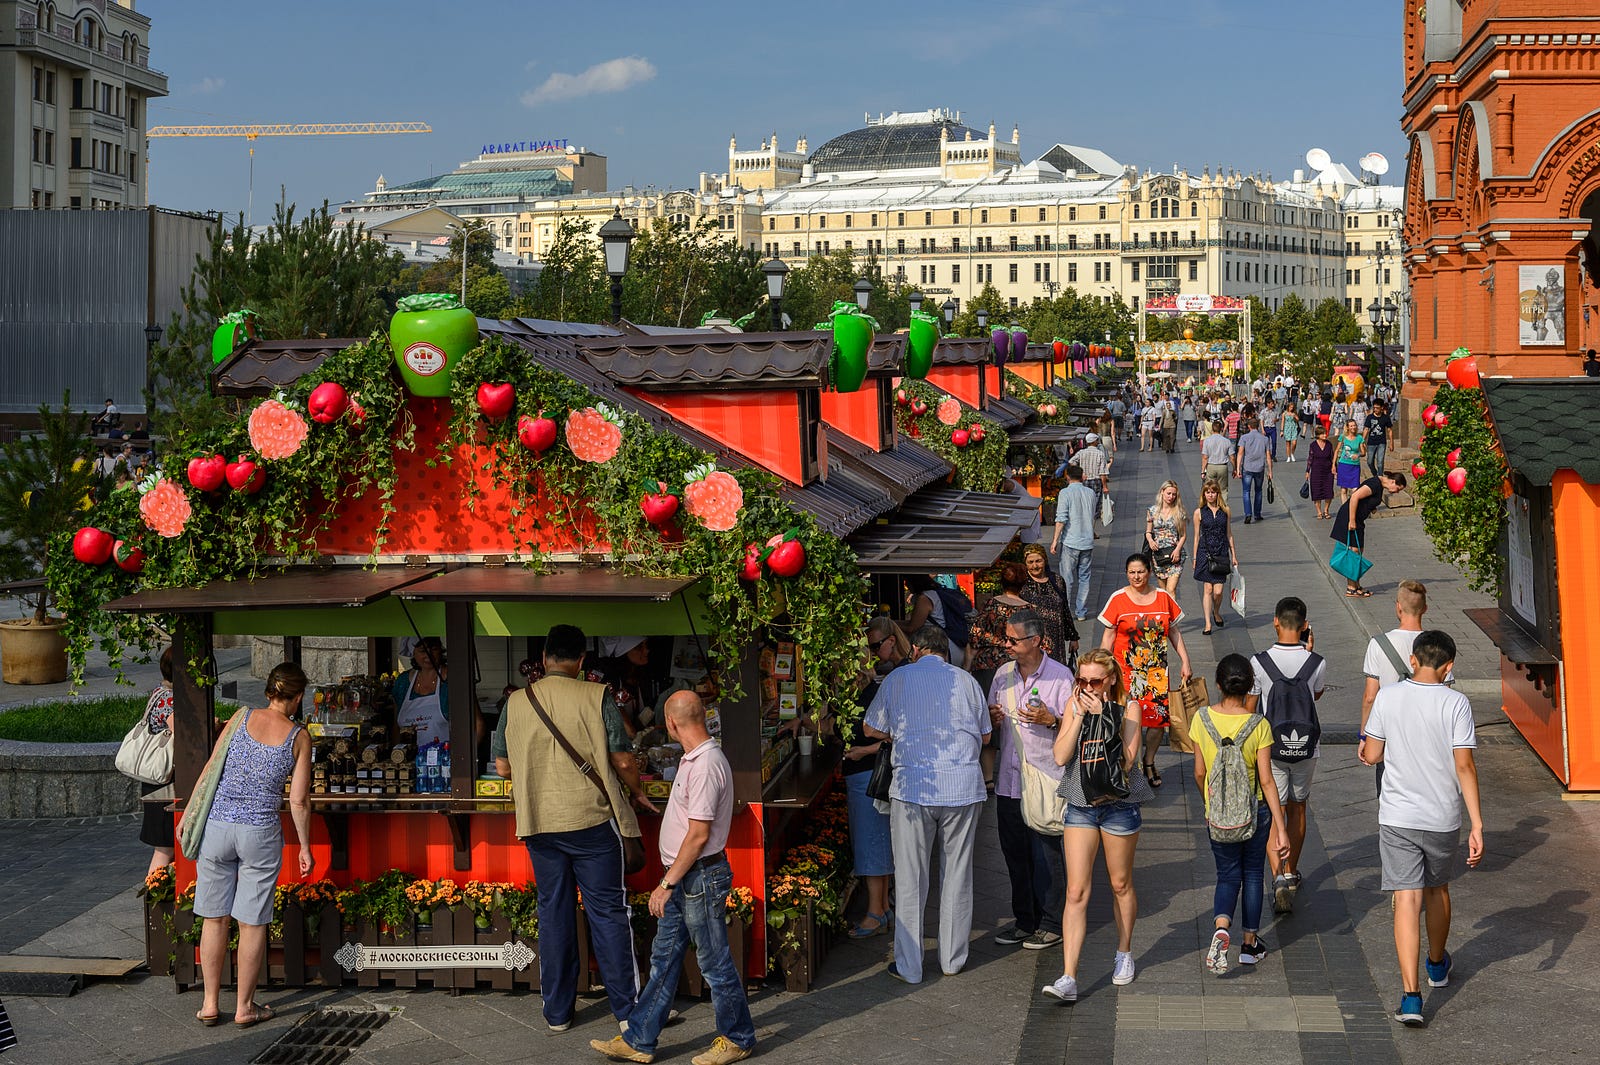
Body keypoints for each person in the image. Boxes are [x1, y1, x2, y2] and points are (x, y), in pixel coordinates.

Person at [493, 624, 654, 1033]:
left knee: (554, 913)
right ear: (582, 661)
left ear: (545, 657)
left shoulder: (516, 703)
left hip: (538, 823)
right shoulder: (596, 696)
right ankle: (628, 1013)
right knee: (608, 914)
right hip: (592, 820)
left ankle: (557, 1013)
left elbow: (503, 766)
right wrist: (636, 793)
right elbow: (622, 760)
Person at [590, 693, 755, 1065]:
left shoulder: (706, 763)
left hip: (697, 877)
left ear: (671, 722)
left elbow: (698, 835)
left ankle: (738, 1037)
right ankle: (639, 1038)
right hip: (687, 876)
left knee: (713, 962)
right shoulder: (696, 759)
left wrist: (666, 884)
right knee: (664, 957)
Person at [1359, 630, 1484, 1028]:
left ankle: (1411, 997)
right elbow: (1464, 765)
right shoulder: (1457, 703)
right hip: (1441, 816)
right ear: (1449, 666)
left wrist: (1367, 750)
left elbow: (1374, 752)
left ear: (1413, 660)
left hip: (1397, 815)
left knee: (1406, 899)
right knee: (1437, 890)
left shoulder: (1388, 697)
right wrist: (1477, 824)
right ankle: (1436, 964)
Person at [862, 624, 990, 984]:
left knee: (910, 878)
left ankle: (910, 967)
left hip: (913, 786)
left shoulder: (898, 679)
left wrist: (901, 733)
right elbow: (986, 735)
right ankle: (952, 959)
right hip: (963, 786)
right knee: (958, 874)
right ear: (944, 652)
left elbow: (871, 729)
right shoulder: (966, 681)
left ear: (916, 650)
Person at [194, 663, 313, 1028]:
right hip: (259, 831)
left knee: (214, 919)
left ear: (268, 691)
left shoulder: (239, 717)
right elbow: (298, 800)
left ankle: (210, 1003)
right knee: (251, 923)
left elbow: (212, 766)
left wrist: (192, 812)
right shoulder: (298, 736)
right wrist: (304, 847)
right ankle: (244, 1007)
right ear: (295, 698)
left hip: (217, 827)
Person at [1041, 648, 1153, 1001]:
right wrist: (1076, 717)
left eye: (1095, 680)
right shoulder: (1074, 705)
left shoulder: (1128, 709)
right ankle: (1068, 976)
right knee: (1076, 891)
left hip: (1119, 805)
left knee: (1120, 884)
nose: (1087, 686)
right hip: (1080, 804)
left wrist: (1104, 716)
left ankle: (1124, 952)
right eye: (1081, 679)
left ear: (1111, 679)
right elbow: (1060, 756)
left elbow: (1127, 763)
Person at [1193, 655, 1292, 975]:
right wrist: (1281, 827)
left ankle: (1222, 927)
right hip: (1256, 812)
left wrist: (1209, 805)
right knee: (1252, 874)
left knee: (1226, 875)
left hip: (1218, 815)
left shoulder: (1201, 718)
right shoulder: (1258, 725)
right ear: (1250, 686)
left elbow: (1199, 772)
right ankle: (1249, 945)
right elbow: (1266, 779)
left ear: (1219, 684)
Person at [987, 610, 1071, 952]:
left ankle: (1053, 922)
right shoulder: (1003, 675)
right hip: (1008, 782)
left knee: (1045, 855)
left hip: (1045, 779)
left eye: (1012, 639)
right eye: (1006, 638)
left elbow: (1075, 726)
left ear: (1035, 641)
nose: (1006, 644)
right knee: (1014, 854)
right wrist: (991, 719)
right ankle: (1025, 920)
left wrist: (1052, 719)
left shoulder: (1060, 677)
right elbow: (991, 722)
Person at [1246, 597, 1326, 915]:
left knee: (1273, 811)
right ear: (1305, 626)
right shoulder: (1317, 662)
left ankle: (1277, 876)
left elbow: (1252, 709)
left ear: (1276, 622)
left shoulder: (1258, 662)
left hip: (1271, 745)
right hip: (1306, 747)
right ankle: (1292, 872)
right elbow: (1315, 694)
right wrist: (1309, 652)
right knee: (1298, 808)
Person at [1099, 554, 1192, 789]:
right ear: (1126, 573)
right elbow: (1108, 636)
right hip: (1125, 674)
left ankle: (1149, 761)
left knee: (1157, 721)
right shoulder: (1118, 599)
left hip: (1156, 672)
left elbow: (1173, 631)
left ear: (1149, 572)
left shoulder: (1163, 598)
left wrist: (1185, 661)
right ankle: (1127, 765)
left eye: (1140, 572)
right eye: (1132, 572)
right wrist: (1101, 669)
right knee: (1126, 720)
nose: (1136, 577)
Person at [843, 617, 908, 939]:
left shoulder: (872, 692)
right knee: (876, 842)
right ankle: (881, 907)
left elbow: (893, 735)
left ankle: (876, 912)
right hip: (865, 774)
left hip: (867, 775)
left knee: (872, 843)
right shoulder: (870, 689)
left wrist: (862, 752)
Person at [1360, 581, 1449, 795]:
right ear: (1425, 609)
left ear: (1398, 606)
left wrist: (1365, 736)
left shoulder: (1379, 644)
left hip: (1390, 734)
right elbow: (1445, 692)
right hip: (1428, 736)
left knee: (1389, 795)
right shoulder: (1437, 646)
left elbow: (1370, 697)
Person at [1329, 471, 1408, 597]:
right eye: (1398, 489)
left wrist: (1371, 507)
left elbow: (1366, 499)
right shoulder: (1375, 483)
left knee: (1358, 552)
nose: (1396, 492)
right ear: (1393, 481)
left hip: (1358, 520)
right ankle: (1351, 588)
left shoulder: (1380, 485)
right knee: (1353, 553)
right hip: (1349, 518)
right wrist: (1352, 520)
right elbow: (1355, 497)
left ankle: (1356, 585)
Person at [967, 563, 1033, 694]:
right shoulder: (1028, 609)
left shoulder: (992, 604)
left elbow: (975, 635)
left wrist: (966, 665)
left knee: (988, 706)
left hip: (987, 663)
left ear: (1001, 582)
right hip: (1016, 663)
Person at [140, 647, 177, 876]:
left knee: (165, 847)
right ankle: (154, 893)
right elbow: (180, 733)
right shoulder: (170, 700)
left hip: (156, 779)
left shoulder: (159, 692)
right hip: (163, 782)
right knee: (164, 848)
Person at [1018, 542, 1079, 667]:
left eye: (1038, 561)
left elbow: (1065, 609)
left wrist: (1073, 637)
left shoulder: (1057, 580)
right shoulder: (1022, 584)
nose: (1035, 566)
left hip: (1056, 640)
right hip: (1032, 641)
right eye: (1030, 562)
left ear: (1045, 560)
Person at [1051, 464, 1098, 622]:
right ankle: (1081, 612)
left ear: (1067, 476)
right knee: (1084, 577)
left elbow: (1061, 519)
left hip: (1071, 541)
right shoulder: (1090, 493)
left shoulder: (1065, 493)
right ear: (1082, 476)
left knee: (1066, 578)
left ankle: (1066, 611)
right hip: (1087, 541)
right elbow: (1093, 516)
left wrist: (1055, 541)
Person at [590, 636, 663, 736]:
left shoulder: (645, 678)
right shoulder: (610, 680)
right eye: (639, 647)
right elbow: (615, 710)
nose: (646, 650)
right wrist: (633, 734)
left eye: (646, 645)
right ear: (624, 652)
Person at [1191, 479, 1237, 635]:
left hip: (1221, 552)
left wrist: (1234, 554)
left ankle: (1216, 611)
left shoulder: (1226, 510)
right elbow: (1196, 536)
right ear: (1204, 494)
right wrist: (1195, 557)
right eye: (1207, 492)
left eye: (1213, 492)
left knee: (1218, 591)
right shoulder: (1199, 512)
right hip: (1205, 552)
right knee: (1208, 588)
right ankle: (1208, 623)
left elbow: (1229, 533)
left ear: (1218, 493)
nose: (1210, 495)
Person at [391, 636, 450, 748]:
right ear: (413, 653)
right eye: (422, 651)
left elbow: (476, 724)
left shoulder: (450, 680)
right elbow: (396, 726)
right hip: (408, 761)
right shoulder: (402, 682)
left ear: (441, 651)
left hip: (444, 760)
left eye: (434, 649)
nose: (429, 655)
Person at [900, 574, 967, 667]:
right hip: (957, 646)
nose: (906, 584)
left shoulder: (925, 598)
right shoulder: (937, 593)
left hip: (944, 648)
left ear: (914, 582)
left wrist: (892, 624)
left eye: (906, 581)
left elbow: (912, 627)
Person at [1144, 481, 1187, 598]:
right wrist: (1151, 541)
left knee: (1171, 589)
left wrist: (1178, 550)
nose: (1171, 497)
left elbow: (1183, 535)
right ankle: (1167, 615)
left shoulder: (1179, 512)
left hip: (1174, 554)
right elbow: (1148, 532)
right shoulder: (1152, 511)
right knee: (1163, 592)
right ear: (1162, 492)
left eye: (1174, 494)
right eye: (1168, 493)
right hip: (1159, 555)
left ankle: (1173, 617)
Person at [1233, 417, 1274, 525]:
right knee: (1258, 491)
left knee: (1246, 491)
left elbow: (1240, 453)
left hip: (1247, 467)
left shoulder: (1244, 438)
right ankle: (1257, 513)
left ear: (1249, 426)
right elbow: (1268, 456)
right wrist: (1270, 471)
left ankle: (1248, 514)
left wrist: (1237, 469)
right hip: (1260, 468)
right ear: (1257, 426)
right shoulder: (1265, 439)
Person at [1073, 432, 1111, 517]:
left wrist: (1080, 472)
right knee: (1095, 503)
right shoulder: (1100, 454)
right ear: (1094, 442)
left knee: (1085, 502)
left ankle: (1086, 517)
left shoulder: (1081, 452)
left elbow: (1071, 462)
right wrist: (1105, 486)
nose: (1098, 442)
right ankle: (1091, 522)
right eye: (1097, 440)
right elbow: (1102, 472)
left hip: (1084, 480)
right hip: (1096, 481)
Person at [1306, 425, 1336, 520]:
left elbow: (1332, 457)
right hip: (1316, 471)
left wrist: (1335, 468)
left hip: (1327, 471)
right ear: (1318, 435)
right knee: (1317, 491)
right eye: (1322, 433)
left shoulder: (1329, 444)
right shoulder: (1313, 445)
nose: (1325, 435)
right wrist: (1307, 471)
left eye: (1325, 433)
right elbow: (1310, 458)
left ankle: (1326, 510)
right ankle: (1319, 511)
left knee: (1329, 491)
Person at [1335, 419, 1367, 504]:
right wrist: (1333, 465)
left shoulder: (1359, 438)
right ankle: (1345, 509)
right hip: (1343, 465)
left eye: (1354, 425)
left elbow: (1364, 453)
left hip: (1355, 466)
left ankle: (1353, 507)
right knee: (1343, 490)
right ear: (1348, 427)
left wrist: (1358, 455)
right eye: (1351, 426)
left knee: (1355, 490)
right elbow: (1337, 450)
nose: (1353, 427)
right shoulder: (1343, 437)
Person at [1200, 419, 1233, 489]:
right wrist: (1235, 468)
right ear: (1221, 429)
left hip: (1211, 466)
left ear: (1212, 429)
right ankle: (1223, 499)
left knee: (1210, 488)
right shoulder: (1227, 441)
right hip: (1222, 467)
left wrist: (1203, 471)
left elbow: (1205, 457)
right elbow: (1232, 457)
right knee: (1223, 489)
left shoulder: (1206, 441)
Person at [1366, 399, 1393, 479]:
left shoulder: (1386, 418)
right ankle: (1375, 475)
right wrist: (1362, 440)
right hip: (1371, 442)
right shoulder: (1370, 417)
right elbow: (1366, 429)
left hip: (1381, 442)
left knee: (1380, 462)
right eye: (1374, 408)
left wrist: (1391, 443)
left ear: (1381, 408)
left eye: (1377, 408)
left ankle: (1380, 479)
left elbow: (1390, 430)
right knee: (1370, 461)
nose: (1375, 410)